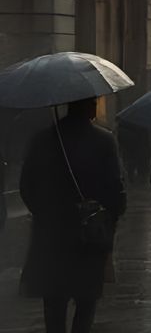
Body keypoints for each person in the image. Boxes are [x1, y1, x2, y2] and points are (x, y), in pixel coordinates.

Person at [19, 97, 127, 333]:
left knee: (54, 302)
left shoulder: (43, 139)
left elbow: (26, 185)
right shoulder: (104, 140)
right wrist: (111, 216)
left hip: (51, 235)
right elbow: (115, 189)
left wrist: (44, 213)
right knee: (86, 301)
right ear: (89, 107)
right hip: (89, 235)